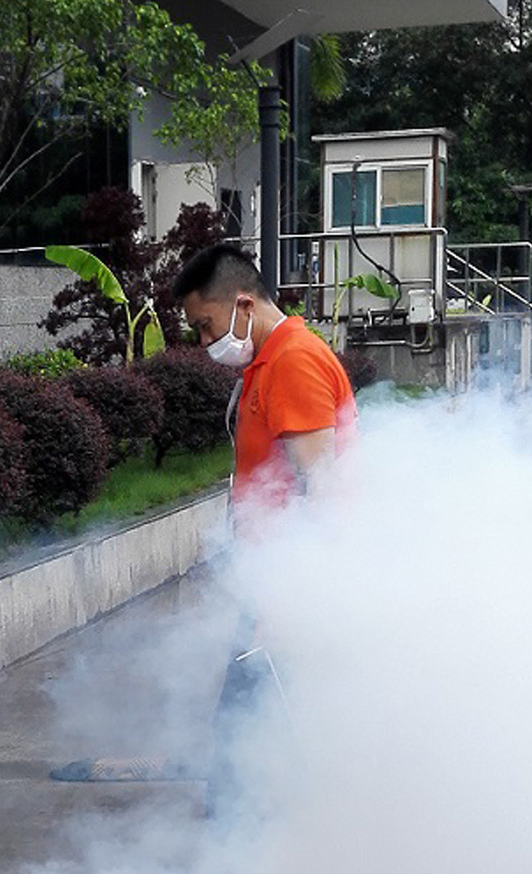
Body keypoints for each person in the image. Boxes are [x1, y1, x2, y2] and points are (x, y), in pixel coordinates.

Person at [169, 243, 357, 821]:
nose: (205, 343)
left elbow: (321, 491)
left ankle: (248, 870)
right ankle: (256, 864)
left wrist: (289, 600)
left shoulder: (294, 362)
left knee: (248, 743)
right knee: (253, 738)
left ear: (243, 303)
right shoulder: (268, 360)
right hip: (272, 582)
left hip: (288, 591)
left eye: (205, 326)